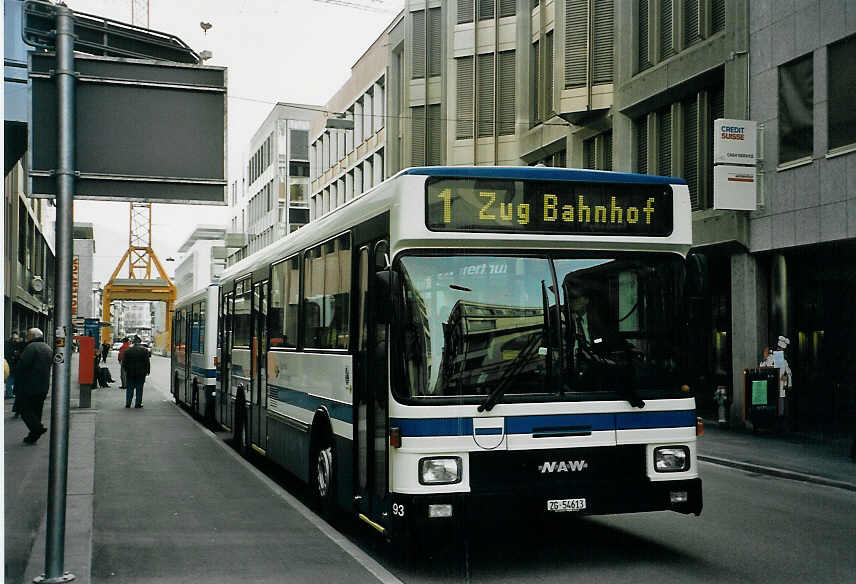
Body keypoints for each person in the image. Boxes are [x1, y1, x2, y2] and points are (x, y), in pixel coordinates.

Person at [16, 328, 53, 444]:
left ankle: (37, 428)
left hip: (29, 385)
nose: (27, 337)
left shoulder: (31, 347)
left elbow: (22, 366)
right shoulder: (47, 347)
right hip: (43, 385)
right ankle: (33, 436)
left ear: (32, 336)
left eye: (28, 335)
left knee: (23, 408)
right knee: (37, 411)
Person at [122, 335, 150, 408]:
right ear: (140, 342)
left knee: (130, 388)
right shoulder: (144, 350)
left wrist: (126, 370)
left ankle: (128, 403)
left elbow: (124, 363)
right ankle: (138, 404)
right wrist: (147, 371)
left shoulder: (127, 351)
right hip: (141, 373)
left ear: (133, 343)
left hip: (130, 373)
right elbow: (147, 362)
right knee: (139, 389)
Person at [5, 331, 23, 399]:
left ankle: (10, 393)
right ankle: (10, 393)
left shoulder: (9, 344)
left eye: (16, 338)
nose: (15, 340)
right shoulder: (12, 345)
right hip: (12, 365)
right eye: (14, 338)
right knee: (11, 379)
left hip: (13, 365)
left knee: (11, 380)